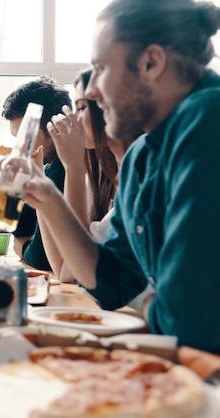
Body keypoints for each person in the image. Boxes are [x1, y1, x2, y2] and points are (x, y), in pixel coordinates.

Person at [21, 0, 220, 353]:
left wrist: (147, 301)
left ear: (151, 62)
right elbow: (110, 282)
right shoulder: (142, 156)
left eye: (99, 68)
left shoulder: (207, 118)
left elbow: (188, 322)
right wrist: (48, 199)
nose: (93, 89)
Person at [42, 69, 136, 281]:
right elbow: (65, 270)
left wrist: (73, 167)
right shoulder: (102, 177)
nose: (73, 119)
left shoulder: (140, 173)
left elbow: (76, 272)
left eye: (82, 107)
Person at [0, 77, 71, 271]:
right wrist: (10, 186)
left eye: (26, 136)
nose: (21, 147)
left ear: (52, 128)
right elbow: (9, 227)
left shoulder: (62, 171)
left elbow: (40, 257)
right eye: (17, 139)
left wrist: (21, 247)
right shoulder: (45, 169)